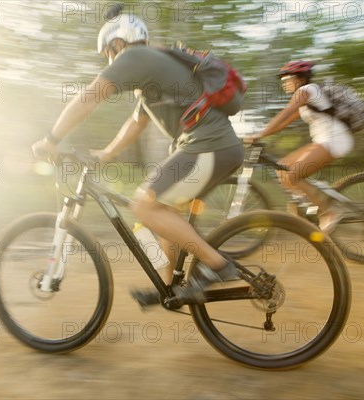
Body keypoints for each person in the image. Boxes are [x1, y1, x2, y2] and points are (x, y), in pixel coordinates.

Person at [32, 11, 245, 306]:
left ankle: (217, 265)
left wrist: (51, 139)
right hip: (210, 147)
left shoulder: (135, 58)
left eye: (108, 51)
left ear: (117, 44)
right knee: (158, 211)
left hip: (208, 146)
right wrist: (107, 153)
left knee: (144, 206)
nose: (109, 58)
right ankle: (168, 287)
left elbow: (90, 96)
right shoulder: (151, 71)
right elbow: (136, 122)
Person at [245, 61, 354, 232]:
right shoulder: (307, 99)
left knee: (292, 176)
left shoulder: (307, 90)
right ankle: (305, 209)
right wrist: (262, 134)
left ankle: (328, 213)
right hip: (323, 141)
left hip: (335, 140)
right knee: (282, 169)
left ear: (301, 79)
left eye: (287, 78)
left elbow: (285, 113)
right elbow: (284, 123)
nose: (284, 82)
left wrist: (259, 135)